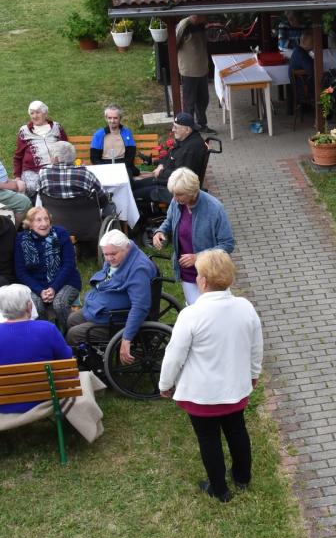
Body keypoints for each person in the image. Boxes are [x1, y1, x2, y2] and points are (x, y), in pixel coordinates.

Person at [159, 250, 263, 503]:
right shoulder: (245, 307)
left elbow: (174, 356)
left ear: (203, 281)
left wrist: (165, 384)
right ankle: (242, 478)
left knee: (208, 439)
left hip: (202, 394)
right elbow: (256, 346)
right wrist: (253, 373)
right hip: (235, 388)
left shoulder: (191, 315)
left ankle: (219, 488)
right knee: (237, 431)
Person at [0, 284, 73, 408]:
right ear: (29, 306)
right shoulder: (48, 329)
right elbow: (67, 360)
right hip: (46, 400)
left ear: (2, 309)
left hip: (0, 404)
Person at [65, 229, 157, 362]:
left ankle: (91, 362)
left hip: (118, 319)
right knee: (71, 319)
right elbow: (106, 272)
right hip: (103, 309)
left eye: (113, 254)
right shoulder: (121, 255)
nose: (108, 259)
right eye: (105, 254)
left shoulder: (138, 270)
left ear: (126, 248)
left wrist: (126, 338)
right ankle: (91, 353)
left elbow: (140, 307)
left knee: (73, 334)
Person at [152, 168, 236, 306]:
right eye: (173, 194)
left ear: (192, 192)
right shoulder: (177, 202)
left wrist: (198, 257)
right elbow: (169, 220)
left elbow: (227, 244)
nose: (175, 198)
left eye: (179, 194)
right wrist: (161, 231)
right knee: (196, 309)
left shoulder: (215, 208)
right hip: (187, 272)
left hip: (212, 273)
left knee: (214, 310)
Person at [14, 206, 81, 334]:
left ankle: (71, 336)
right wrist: (40, 291)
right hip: (36, 284)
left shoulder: (61, 233)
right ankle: (45, 337)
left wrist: (54, 288)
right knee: (36, 306)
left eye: (46, 219)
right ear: (30, 224)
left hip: (65, 281)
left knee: (59, 304)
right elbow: (21, 271)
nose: (44, 223)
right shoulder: (21, 239)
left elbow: (69, 264)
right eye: (38, 220)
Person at [132, 113, 210, 204]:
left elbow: (181, 174)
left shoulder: (190, 149)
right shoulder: (185, 140)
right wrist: (160, 164)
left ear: (187, 130)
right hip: (166, 181)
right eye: (173, 126)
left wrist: (160, 172)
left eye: (176, 127)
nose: (173, 130)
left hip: (175, 189)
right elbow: (170, 156)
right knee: (133, 186)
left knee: (133, 195)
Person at [13, 100, 68, 193]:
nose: (34, 116)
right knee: (35, 187)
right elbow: (18, 156)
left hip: (56, 168)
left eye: (38, 112)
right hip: (33, 171)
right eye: (32, 113)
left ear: (45, 113)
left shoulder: (56, 127)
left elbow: (66, 148)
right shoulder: (24, 131)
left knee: (60, 185)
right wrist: (17, 177)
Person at [175, 14, 213, 133]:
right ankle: (188, 129)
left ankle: (201, 125)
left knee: (203, 100)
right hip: (189, 71)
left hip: (202, 69)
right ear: (196, 16)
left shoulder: (200, 25)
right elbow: (174, 44)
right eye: (204, 17)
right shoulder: (183, 25)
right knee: (189, 103)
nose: (205, 19)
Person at [37, 141, 107, 203]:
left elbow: (39, 195)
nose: (50, 159)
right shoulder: (85, 174)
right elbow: (103, 198)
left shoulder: (43, 173)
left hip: (53, 213)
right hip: (83, 213)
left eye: (51, 156)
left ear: (56, 158)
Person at [90, 104, 138, 173]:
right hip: (104, 165)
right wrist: (108, 169)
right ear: (106, 118)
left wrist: (119, 167)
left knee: (128, 175)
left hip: (123, 165)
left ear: (120, 118)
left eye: (115, 118)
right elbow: (94, 158)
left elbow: (130, 156)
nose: (112, 121)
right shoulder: (98, 134)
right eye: (109, 118)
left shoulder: (127, 133)